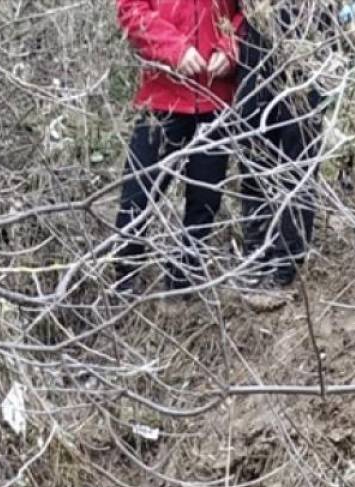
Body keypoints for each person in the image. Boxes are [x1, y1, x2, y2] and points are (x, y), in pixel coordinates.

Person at [113, 0, 245, 296]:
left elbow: (248, 14)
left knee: (205, 199)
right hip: (162, 98)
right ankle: (124, 281)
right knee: (138, 192)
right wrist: (175, 49)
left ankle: (183, 284)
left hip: (216, 100)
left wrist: (230, 47)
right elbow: (130, 9)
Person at [234, 0, 326, 307]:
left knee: (298, 159)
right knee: (253, 150)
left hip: (308, 44)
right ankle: (256, 254)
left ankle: (287, 265)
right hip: (256, 43)